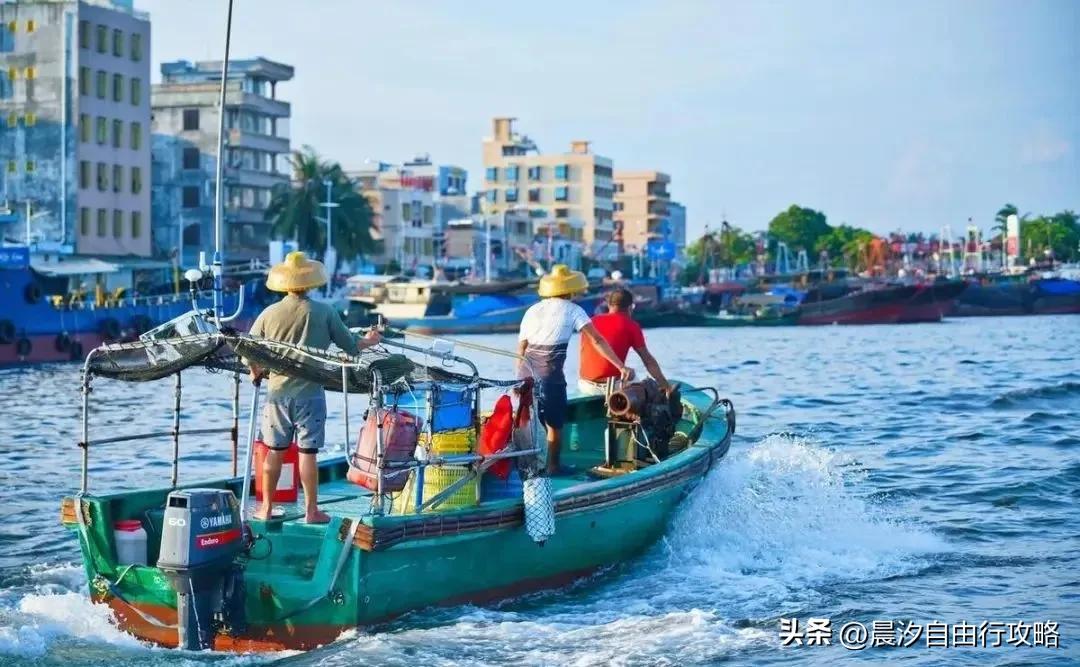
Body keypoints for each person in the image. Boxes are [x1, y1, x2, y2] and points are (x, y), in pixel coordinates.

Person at [247, 251, 381, 523]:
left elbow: (249, 351)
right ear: (310, 281)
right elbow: (351, 348)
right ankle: (311, 511)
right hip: (311, 395)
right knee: (308, 453)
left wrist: (255, 372)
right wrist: (370, 340)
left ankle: (266, 508)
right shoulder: (324, 312)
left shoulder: (268, 313)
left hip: (277, 395)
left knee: (275, 451)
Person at [517, 265, 633, 475]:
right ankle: (552, 467)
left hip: (525, 371)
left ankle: (528, 468)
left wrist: (519, 377)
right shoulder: (573, 310)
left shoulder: (532, 310)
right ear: (570, 290)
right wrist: (620, 365)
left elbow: (522, 347)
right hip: (549, 372)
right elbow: (596, 339)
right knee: (554, 423)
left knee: (529, 420)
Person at [579, 287, 670, 397]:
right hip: (613, 387)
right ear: (630, 307)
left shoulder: (590, 322)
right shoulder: (631, 326)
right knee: (644, 384)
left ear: (609, 305)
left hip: (585, 386)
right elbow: (648, 361)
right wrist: (665, 386)